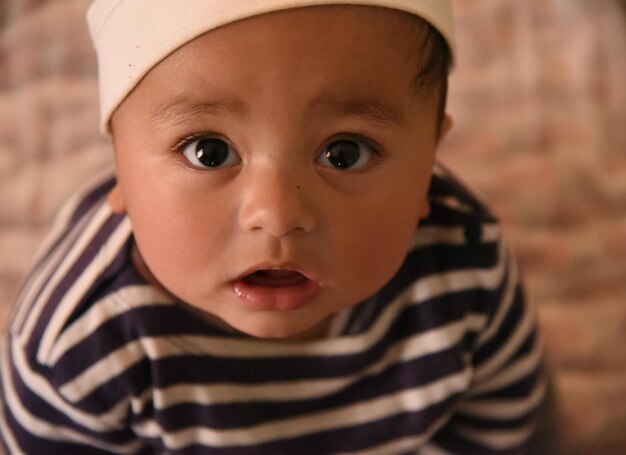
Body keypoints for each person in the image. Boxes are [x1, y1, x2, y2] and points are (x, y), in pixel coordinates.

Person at [0, 1, 547, 453]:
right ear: (119, 165)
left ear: (429, 159)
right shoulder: (75, 342)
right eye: (208, 152)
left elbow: (499, 427)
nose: (279, 214)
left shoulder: (468, 268)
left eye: (345, 152)